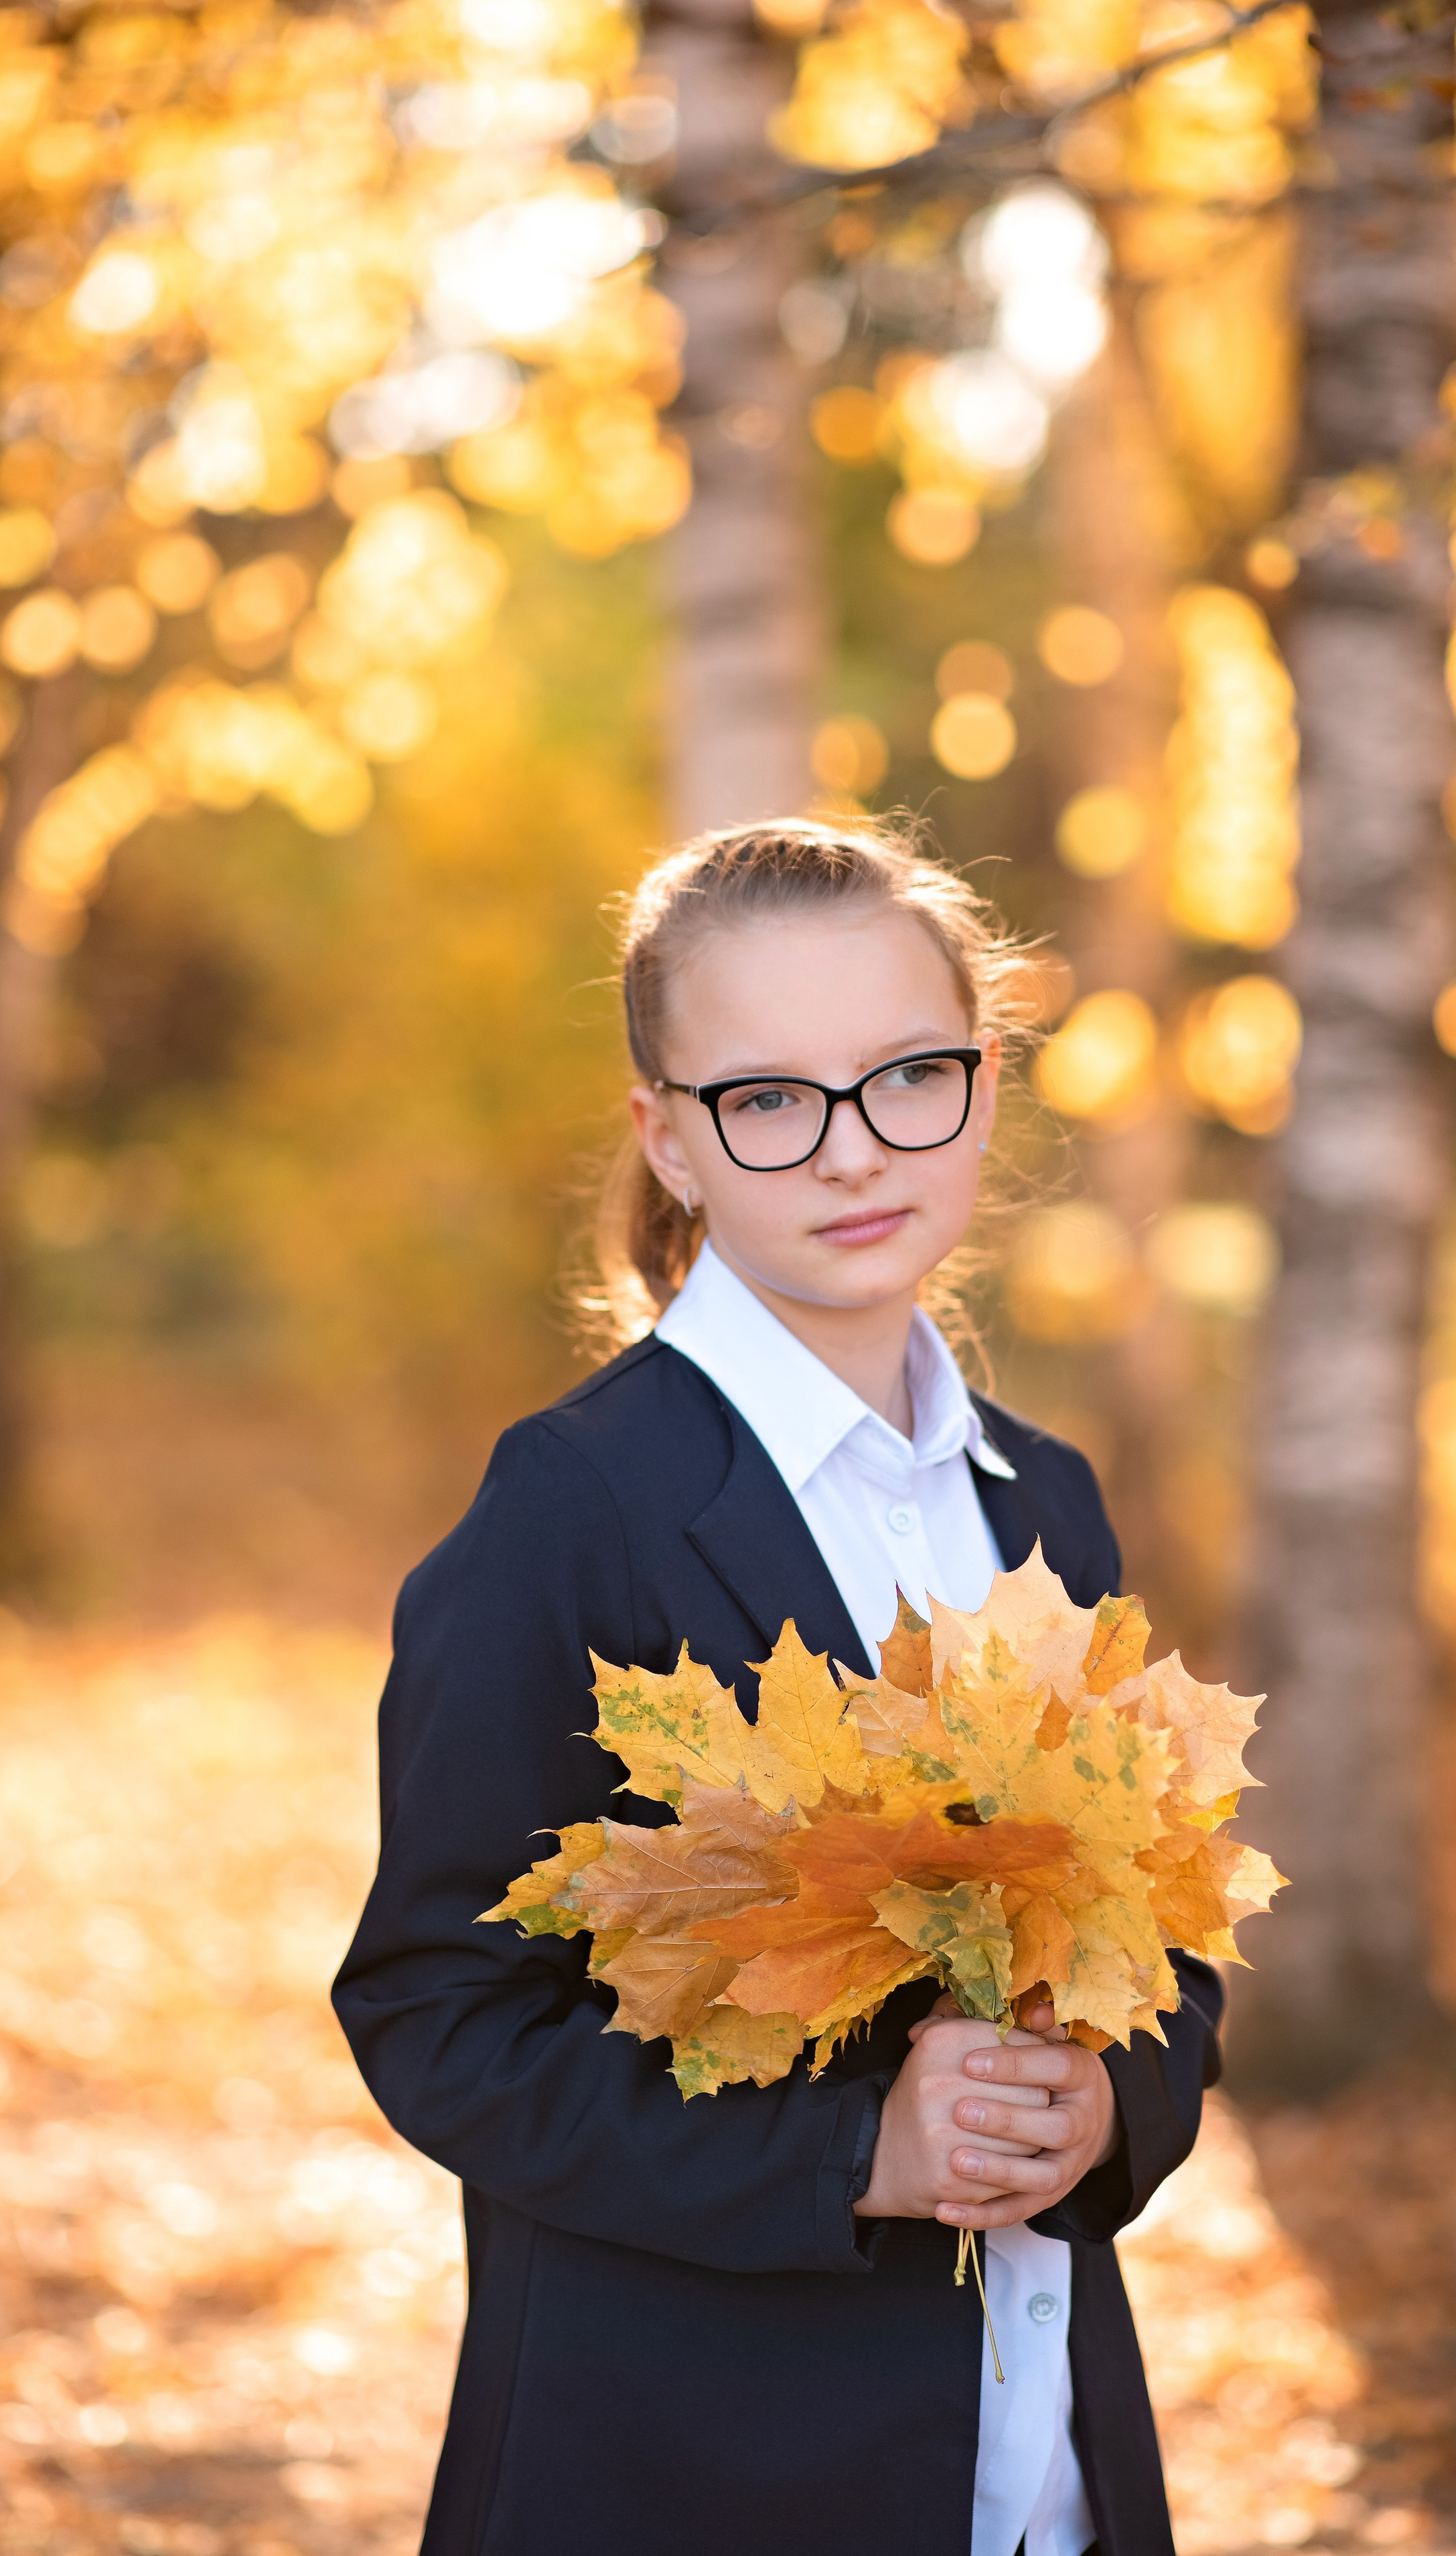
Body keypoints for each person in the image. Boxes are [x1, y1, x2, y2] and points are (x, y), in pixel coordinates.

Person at [334, 818, 1223, 2556]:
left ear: (984, 1074)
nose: (852, 1151)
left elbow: (1162, 1947)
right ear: (669, 1132)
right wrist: (856, 2156)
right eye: (769, 1099)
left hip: (1042, 2476)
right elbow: (439, 2015)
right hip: (696, 2478)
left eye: (910, 1076)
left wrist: (1114, 2101)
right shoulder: (573, 1510)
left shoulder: (1044, 1499)